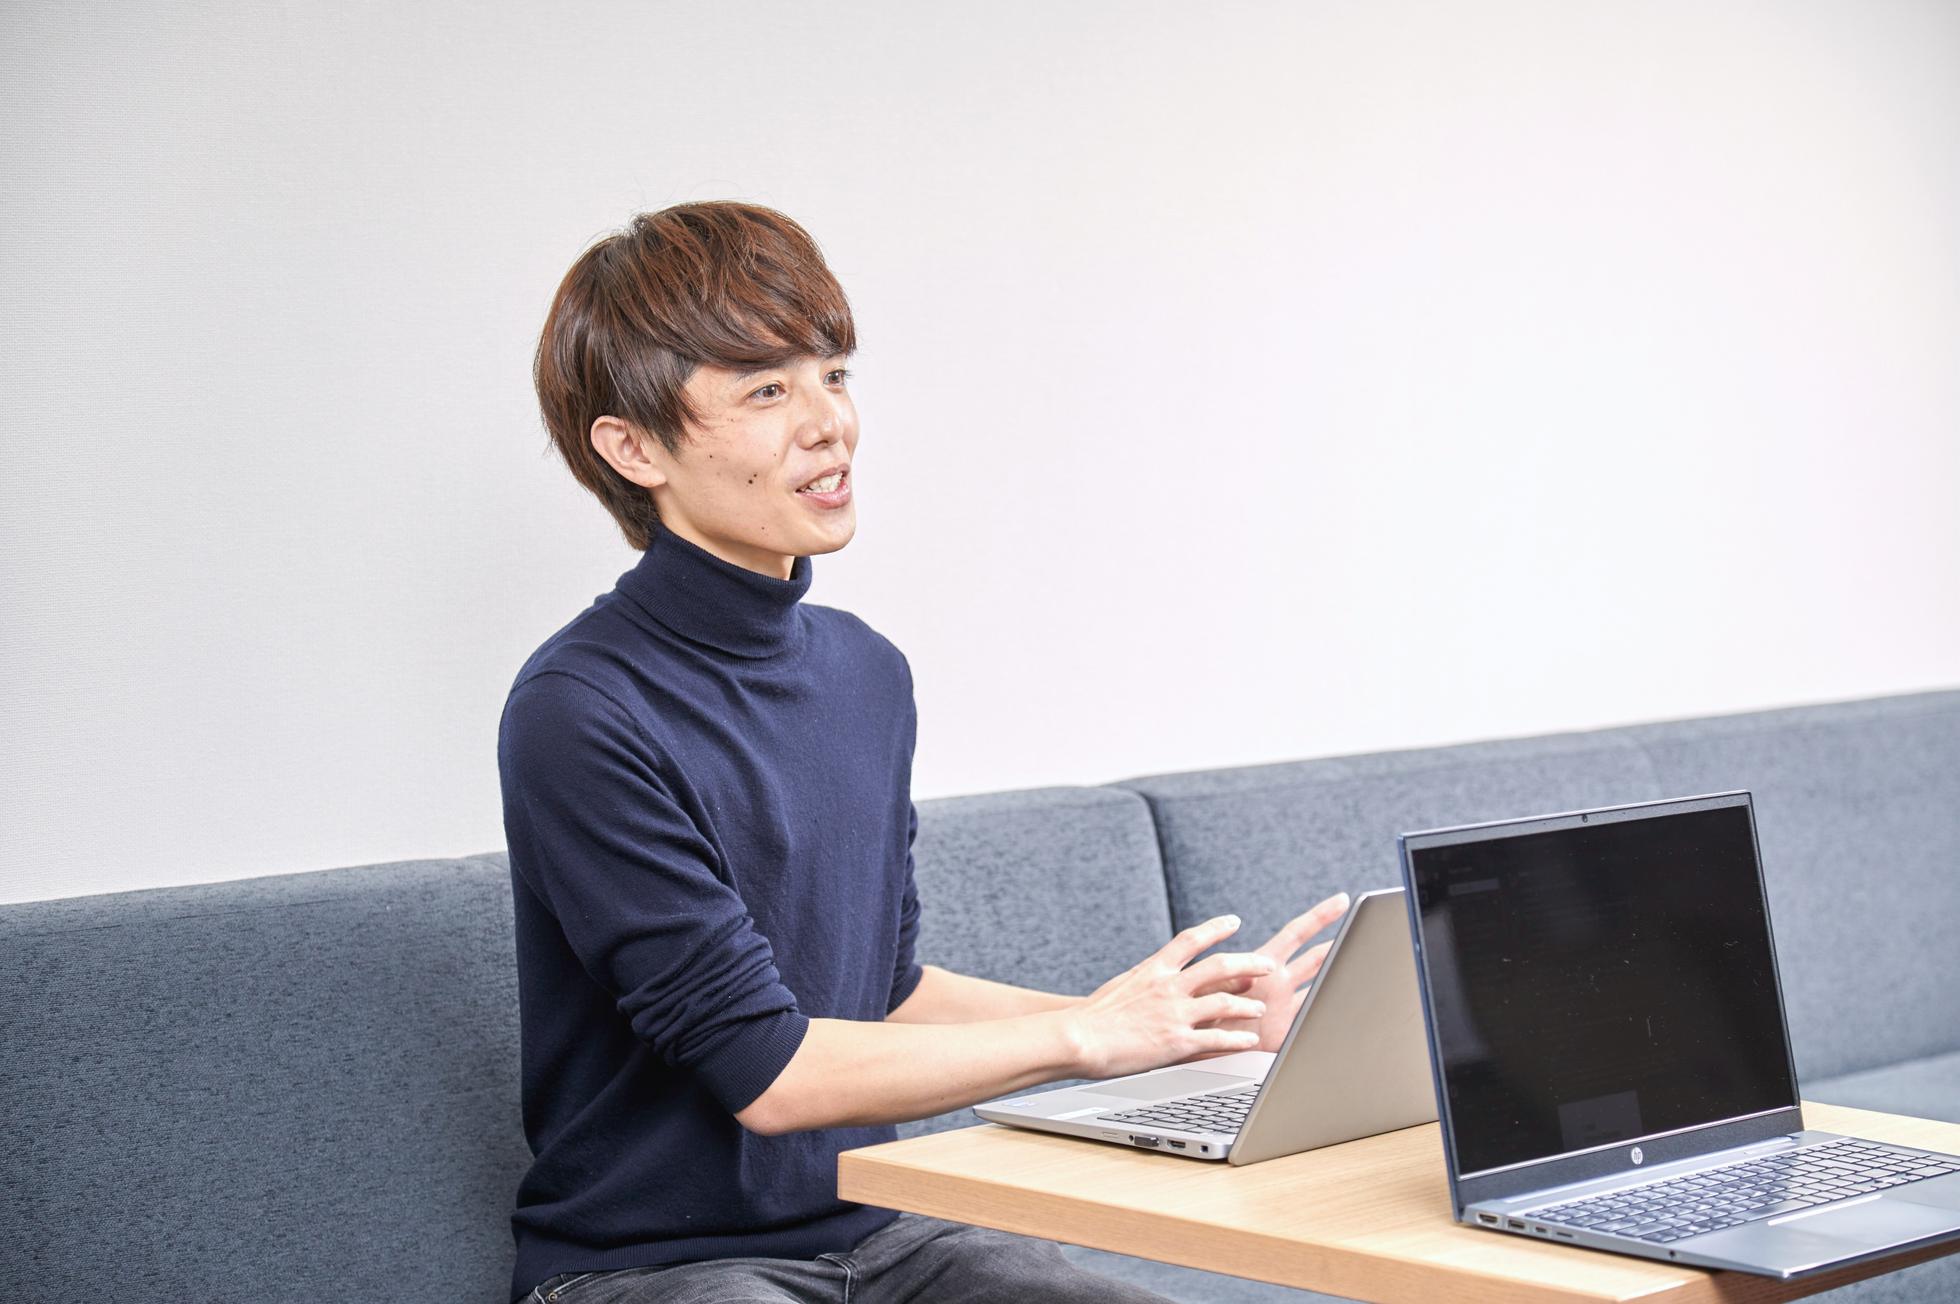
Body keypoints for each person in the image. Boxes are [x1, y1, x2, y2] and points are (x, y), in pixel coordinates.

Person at [500, 201, 1349, 1304]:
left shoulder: (865, 672)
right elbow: (768, 1072)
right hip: (648, 1271)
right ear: (633, 446)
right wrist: (1085, 1037)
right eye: (765, 391)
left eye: (832, 374)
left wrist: (1187, 1032)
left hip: (877, 1239)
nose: (829, 424)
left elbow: (884, 993)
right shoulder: (580, 711)